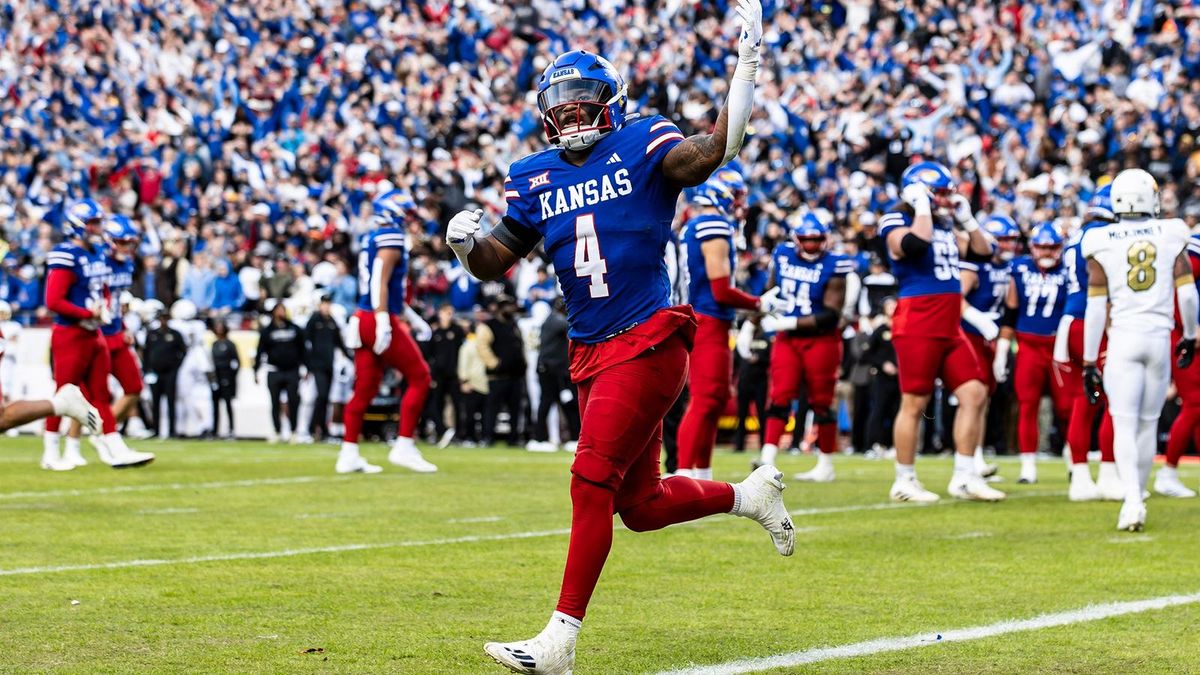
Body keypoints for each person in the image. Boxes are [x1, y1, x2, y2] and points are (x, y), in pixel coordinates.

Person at [443, 6, 796, 670]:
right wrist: (465, 245)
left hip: (649, 338)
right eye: (562, 106)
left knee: (588, 481)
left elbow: (716, 148)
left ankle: (560, 640)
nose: (573, 115)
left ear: (610, 103)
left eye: (584, 103)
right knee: (638, 504)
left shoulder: (642, 141)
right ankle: (750, 495)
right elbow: (497, 257)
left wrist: (746, 67)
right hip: (590, 350)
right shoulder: (533, 175)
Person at [879, 161, 1004, 502]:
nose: (947, 200)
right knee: (914, 402)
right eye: (941, 193)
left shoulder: (946, 223)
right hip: (918, 319)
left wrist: (968, 220)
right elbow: (913, 246)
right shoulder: (896, 218)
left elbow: (985, 252)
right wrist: (920, 204)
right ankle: (904, 479)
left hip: (949, 323)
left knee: (975, 393)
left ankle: (965, 476)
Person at [1081, 168, 1197, 531]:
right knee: (1147, 424)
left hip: (1124, 339)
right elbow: (1187, 293)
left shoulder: (1098, 238)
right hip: (1159, 337)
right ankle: (1138, 493)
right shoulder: (1173, 231)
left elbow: (1096, 306)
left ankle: (1131, 500)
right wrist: (1191, 335)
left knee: (1124, 422)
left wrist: (1088, 360)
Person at [675, 176, 781, 478]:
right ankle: (684, 472)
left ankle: (702, 474)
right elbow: (720, 289)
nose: (739, 205)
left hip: (705, 317)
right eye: (736, 197)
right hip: (708, 318)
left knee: (714, 398)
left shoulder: (696, 226)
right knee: (706, 398)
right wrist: (759, 304)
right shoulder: (714, 227)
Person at [42, 199, 154, 470]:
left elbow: (103, 290)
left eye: (98, 223)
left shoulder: (95, 255)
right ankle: (51, 452)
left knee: (101, 397)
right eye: (92, 223)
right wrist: (88, 314)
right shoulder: (66, 253)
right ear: (78, 225)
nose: (97, 228)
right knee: (64, 396)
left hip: (94, 335)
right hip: (70, 333)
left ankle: (114, 446)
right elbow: (53, 301)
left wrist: (103, 309)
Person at [338, 190, 435, 474]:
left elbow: (385, 287)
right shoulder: (391, 237)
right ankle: (404, 445)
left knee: (365, 388)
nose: (411, 221)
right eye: (407, 214)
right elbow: (380, 278)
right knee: (420, 376)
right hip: (376, 317)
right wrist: (383, 319)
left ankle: (348, 452)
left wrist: (413, 318)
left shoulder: (373, 236)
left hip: (363, 315)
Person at [754, 214, 852, 482]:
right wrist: (758, 319)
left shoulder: (835, 264)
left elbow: (831, 314)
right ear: (795, 238)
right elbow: (770, 289)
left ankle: (826, 463)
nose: (810, 244)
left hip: (821, 338)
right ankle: (767, 459)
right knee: (779, 394)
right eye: (805, 239)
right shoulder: (783, 254)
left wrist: (789, 321)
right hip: (787, 338)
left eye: (816, 239)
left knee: (822, 401)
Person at [993, 223, 1072, 485]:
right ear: (1033, 247)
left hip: (1060, 346)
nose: (1047, 252)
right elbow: (1011, 311)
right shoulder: (1019, 268)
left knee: (1066, 407)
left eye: (1052, 247)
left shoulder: (1070, 269)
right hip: (1028, 345)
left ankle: (1074, 459)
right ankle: (1028, 465)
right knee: (1028, 405)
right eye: (1042, 246)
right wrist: (1003, 349)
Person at [1054, 187, 1120, 501]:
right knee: (1112, 398)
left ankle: (1080, 474)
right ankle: (1108, 472)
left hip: (1072, 319)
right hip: (1094, 318)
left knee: (1086, 398)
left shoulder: (1079, 235)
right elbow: (1101, 285)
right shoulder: (1105, 236)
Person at [957, 215, 1017, 480]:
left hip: (990, 339)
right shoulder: (974, 267)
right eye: (1003, 240)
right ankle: (970, 460)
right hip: (970, 336)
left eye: (1012, 240)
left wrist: (1002, 349)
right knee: (974, 397)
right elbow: (954, 299)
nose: (1009, 246)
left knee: (984, 399)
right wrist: (978, 320)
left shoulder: (1009, 268)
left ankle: (976, 456)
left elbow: (1011, 311)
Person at [1157, 229, 1200, 499]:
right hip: (1186, 335)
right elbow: (1179, 290)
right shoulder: (1196, 245)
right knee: (1194, 403)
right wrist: (1190, 329)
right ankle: (1168, 472)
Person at [476, 295, 527, 447]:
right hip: (497, 376)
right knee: (492, 408)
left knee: (515, 409)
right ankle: (488, 437)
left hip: (516, 375)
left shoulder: (514, 324)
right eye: (505, 306)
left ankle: (513, 439)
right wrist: (494, 364)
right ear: (497, 308)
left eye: (510, 305)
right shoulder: (488, 325)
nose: (509, 308)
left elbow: (520, 345)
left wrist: (523, 363)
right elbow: (481, 346)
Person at [532, 298, 581, 452]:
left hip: (554, 370)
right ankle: (540, 438)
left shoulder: (550, 320)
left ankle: (569, 437)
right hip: (552, 371)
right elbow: (575, 328)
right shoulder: (557, 321)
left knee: (561, 404)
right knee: (550, 403)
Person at [255, 301, 305, 443]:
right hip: (274, 370)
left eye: (282, 309)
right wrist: (256, 371)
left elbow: (302, 350)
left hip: (292, 370)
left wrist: (305, 367)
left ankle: (294, 431)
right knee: (275, 402)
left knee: (293, 401)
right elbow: (260, 351)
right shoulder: (267, 331)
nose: (280, 313)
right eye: (278, 310)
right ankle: (276, 431)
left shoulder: (295, 329)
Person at [304, 295, 351, 441]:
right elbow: (305, 343)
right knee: (322, 395)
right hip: (317, 365)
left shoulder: (332, 322)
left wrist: (352, 358)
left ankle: (321, 429)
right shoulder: (314, 320)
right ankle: (314, 427)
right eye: (324, 304)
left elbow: (339, 343)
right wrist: (307, 365)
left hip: (329, 365)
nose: (326, 307)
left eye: (328, 304)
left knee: (325, 398)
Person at [143, 304, 187, 438]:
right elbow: (146, 353)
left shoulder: (175, 334)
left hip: (170, 372)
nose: (164, 321)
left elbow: (183, 351)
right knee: (155, 402)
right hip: (155, 373)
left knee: (171, 401)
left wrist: (176, 366)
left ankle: (172, 431)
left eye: (166, 318)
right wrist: (147, 370)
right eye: (162, 318)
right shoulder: (152, 334)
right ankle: (156, 430)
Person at [428, 304, 466, 448]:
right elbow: (430, 355)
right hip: (439, 375)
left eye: (451, 313)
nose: (448, 316)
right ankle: (442, 431)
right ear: (440, 313)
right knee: (435, 404)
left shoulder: (457, 331)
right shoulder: (436, 332)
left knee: (458, 405)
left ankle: (459, 435)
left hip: (454, 374)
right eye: (446, 313)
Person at [211, 321, 240, 439]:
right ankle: (215, 430)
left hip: (226, 377)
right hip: (216, 378)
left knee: (228, 404)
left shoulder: (230, 344)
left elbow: (236, 362)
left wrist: (229, 377)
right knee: (215, 406)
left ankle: (231, 429)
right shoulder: (214, 344)